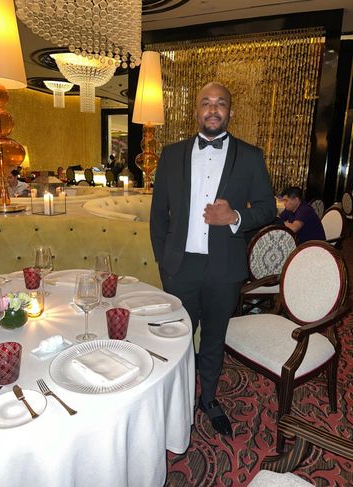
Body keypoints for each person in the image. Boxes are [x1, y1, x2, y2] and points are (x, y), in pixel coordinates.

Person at [150, 82, 276, 436]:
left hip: (225, 269)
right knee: (176, 337)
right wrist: (165, 262)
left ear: (229, 112)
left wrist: (235, 217)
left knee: (214, 339)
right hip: (180, 267)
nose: (213, 109)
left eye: (220, 104)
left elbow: (267, 208)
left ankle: (208, 398)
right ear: (196, 111)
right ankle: (175, 399)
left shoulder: (250, 156)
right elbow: (159, 215)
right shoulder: (171, 154)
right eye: (206, 102)